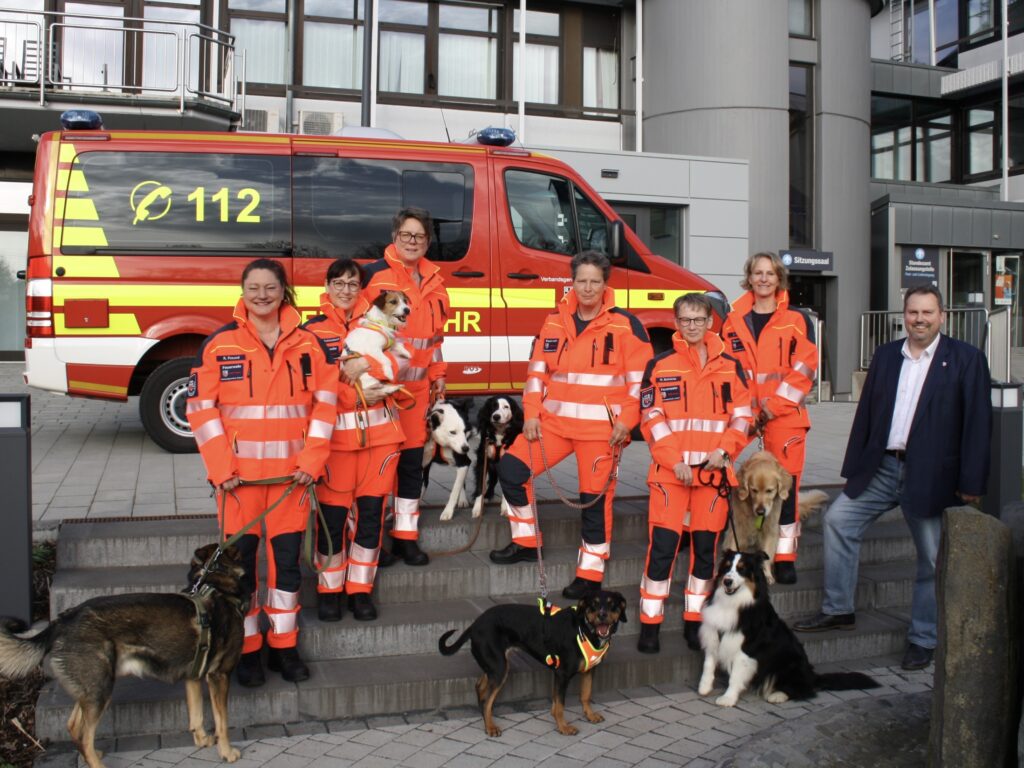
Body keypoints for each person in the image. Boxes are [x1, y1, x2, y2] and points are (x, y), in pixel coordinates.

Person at [794, 284, 991, 671]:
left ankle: (923, 638)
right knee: (838, 520)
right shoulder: (886, 356)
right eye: (913, 312)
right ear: (904, 315)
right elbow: (867, 414)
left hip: (932, 474)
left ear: (942, 316)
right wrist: (853, 466)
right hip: (882, 467)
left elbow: (977, 424)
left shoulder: (966, 359)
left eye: (928, 312)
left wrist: (972, 483)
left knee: (931, 558)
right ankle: (839, 608)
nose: (920, 319)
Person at [186, 258, 337, 687]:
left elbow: (326, 407)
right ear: (243, 291)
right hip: (238, 485)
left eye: (270, 287)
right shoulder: (219, 345)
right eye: (253, 288)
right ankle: (248, 650)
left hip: (292, 482)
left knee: (287, 568)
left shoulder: (310, 345)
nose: (262, 295)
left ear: (283, 290)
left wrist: (311, 462)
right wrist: (221, 469)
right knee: (242, 573)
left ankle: (285, 648)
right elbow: (201, 411)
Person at [489, 250, 653, 599]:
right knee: (511, 470)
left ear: (605, 284)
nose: (588, 288)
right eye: (582, 281)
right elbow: (536, 374)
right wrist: (531, 414)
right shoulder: (553, 321)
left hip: (601, 433)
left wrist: (627, 423)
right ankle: (526, 542)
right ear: (572, 282)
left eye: (595, 281)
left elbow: (641, 384)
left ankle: (590, 574)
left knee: (593, 502)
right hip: (553, 426)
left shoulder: (626, 326)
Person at [636, 294, 753, 654]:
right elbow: (651, 418)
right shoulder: (659, 365)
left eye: (698, 319)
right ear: (676, 323)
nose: (692, 326)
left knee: (704, 554)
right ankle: (650, 625)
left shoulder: (731, 366)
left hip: (713, 478)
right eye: (685, 320)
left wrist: (725, 451)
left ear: (710, 322)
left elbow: (743, 416)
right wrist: (675, 462)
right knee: (662, 551)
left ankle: (693, 623)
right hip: (671, 477)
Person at [303, 258, 404, 623]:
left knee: (371, 519)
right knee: (331, 520)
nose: (345, 290)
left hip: (381, 441)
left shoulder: (379, 320)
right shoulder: (311, 331)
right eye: (339, 283)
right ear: (327, 287)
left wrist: (366, 366)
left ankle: (360, 590)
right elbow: (310, 383)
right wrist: (351, 392)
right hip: (335, 446)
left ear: (361, 289)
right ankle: (329, 591)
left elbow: (402, 362)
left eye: (352, 284)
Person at [720, 251, 817, 584]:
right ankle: (713, 534)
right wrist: (744, 411)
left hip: (784, 415)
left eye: (770, 273)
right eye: (757, 273)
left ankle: (784, 557)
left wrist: (772, 408)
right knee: (717, 467)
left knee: (786, 488)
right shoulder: (732, 320)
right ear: (749, 278)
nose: (763, 279)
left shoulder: (797, 320)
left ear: (779, 279)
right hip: (744, 413)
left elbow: (804, 370)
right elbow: (727, 369)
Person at [362, 207, 450, 566]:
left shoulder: (436, 282)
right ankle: (372, 540)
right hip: (381, 393)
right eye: (406, 235)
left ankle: (405, 537)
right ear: (394, 236)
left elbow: (436, 337)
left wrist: (439, 373)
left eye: (419, 236)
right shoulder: (373, 277)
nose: (412, 242)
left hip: (417, 394)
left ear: (428, 242)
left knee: (412, 466)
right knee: (380, 468)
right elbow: (358, 332)